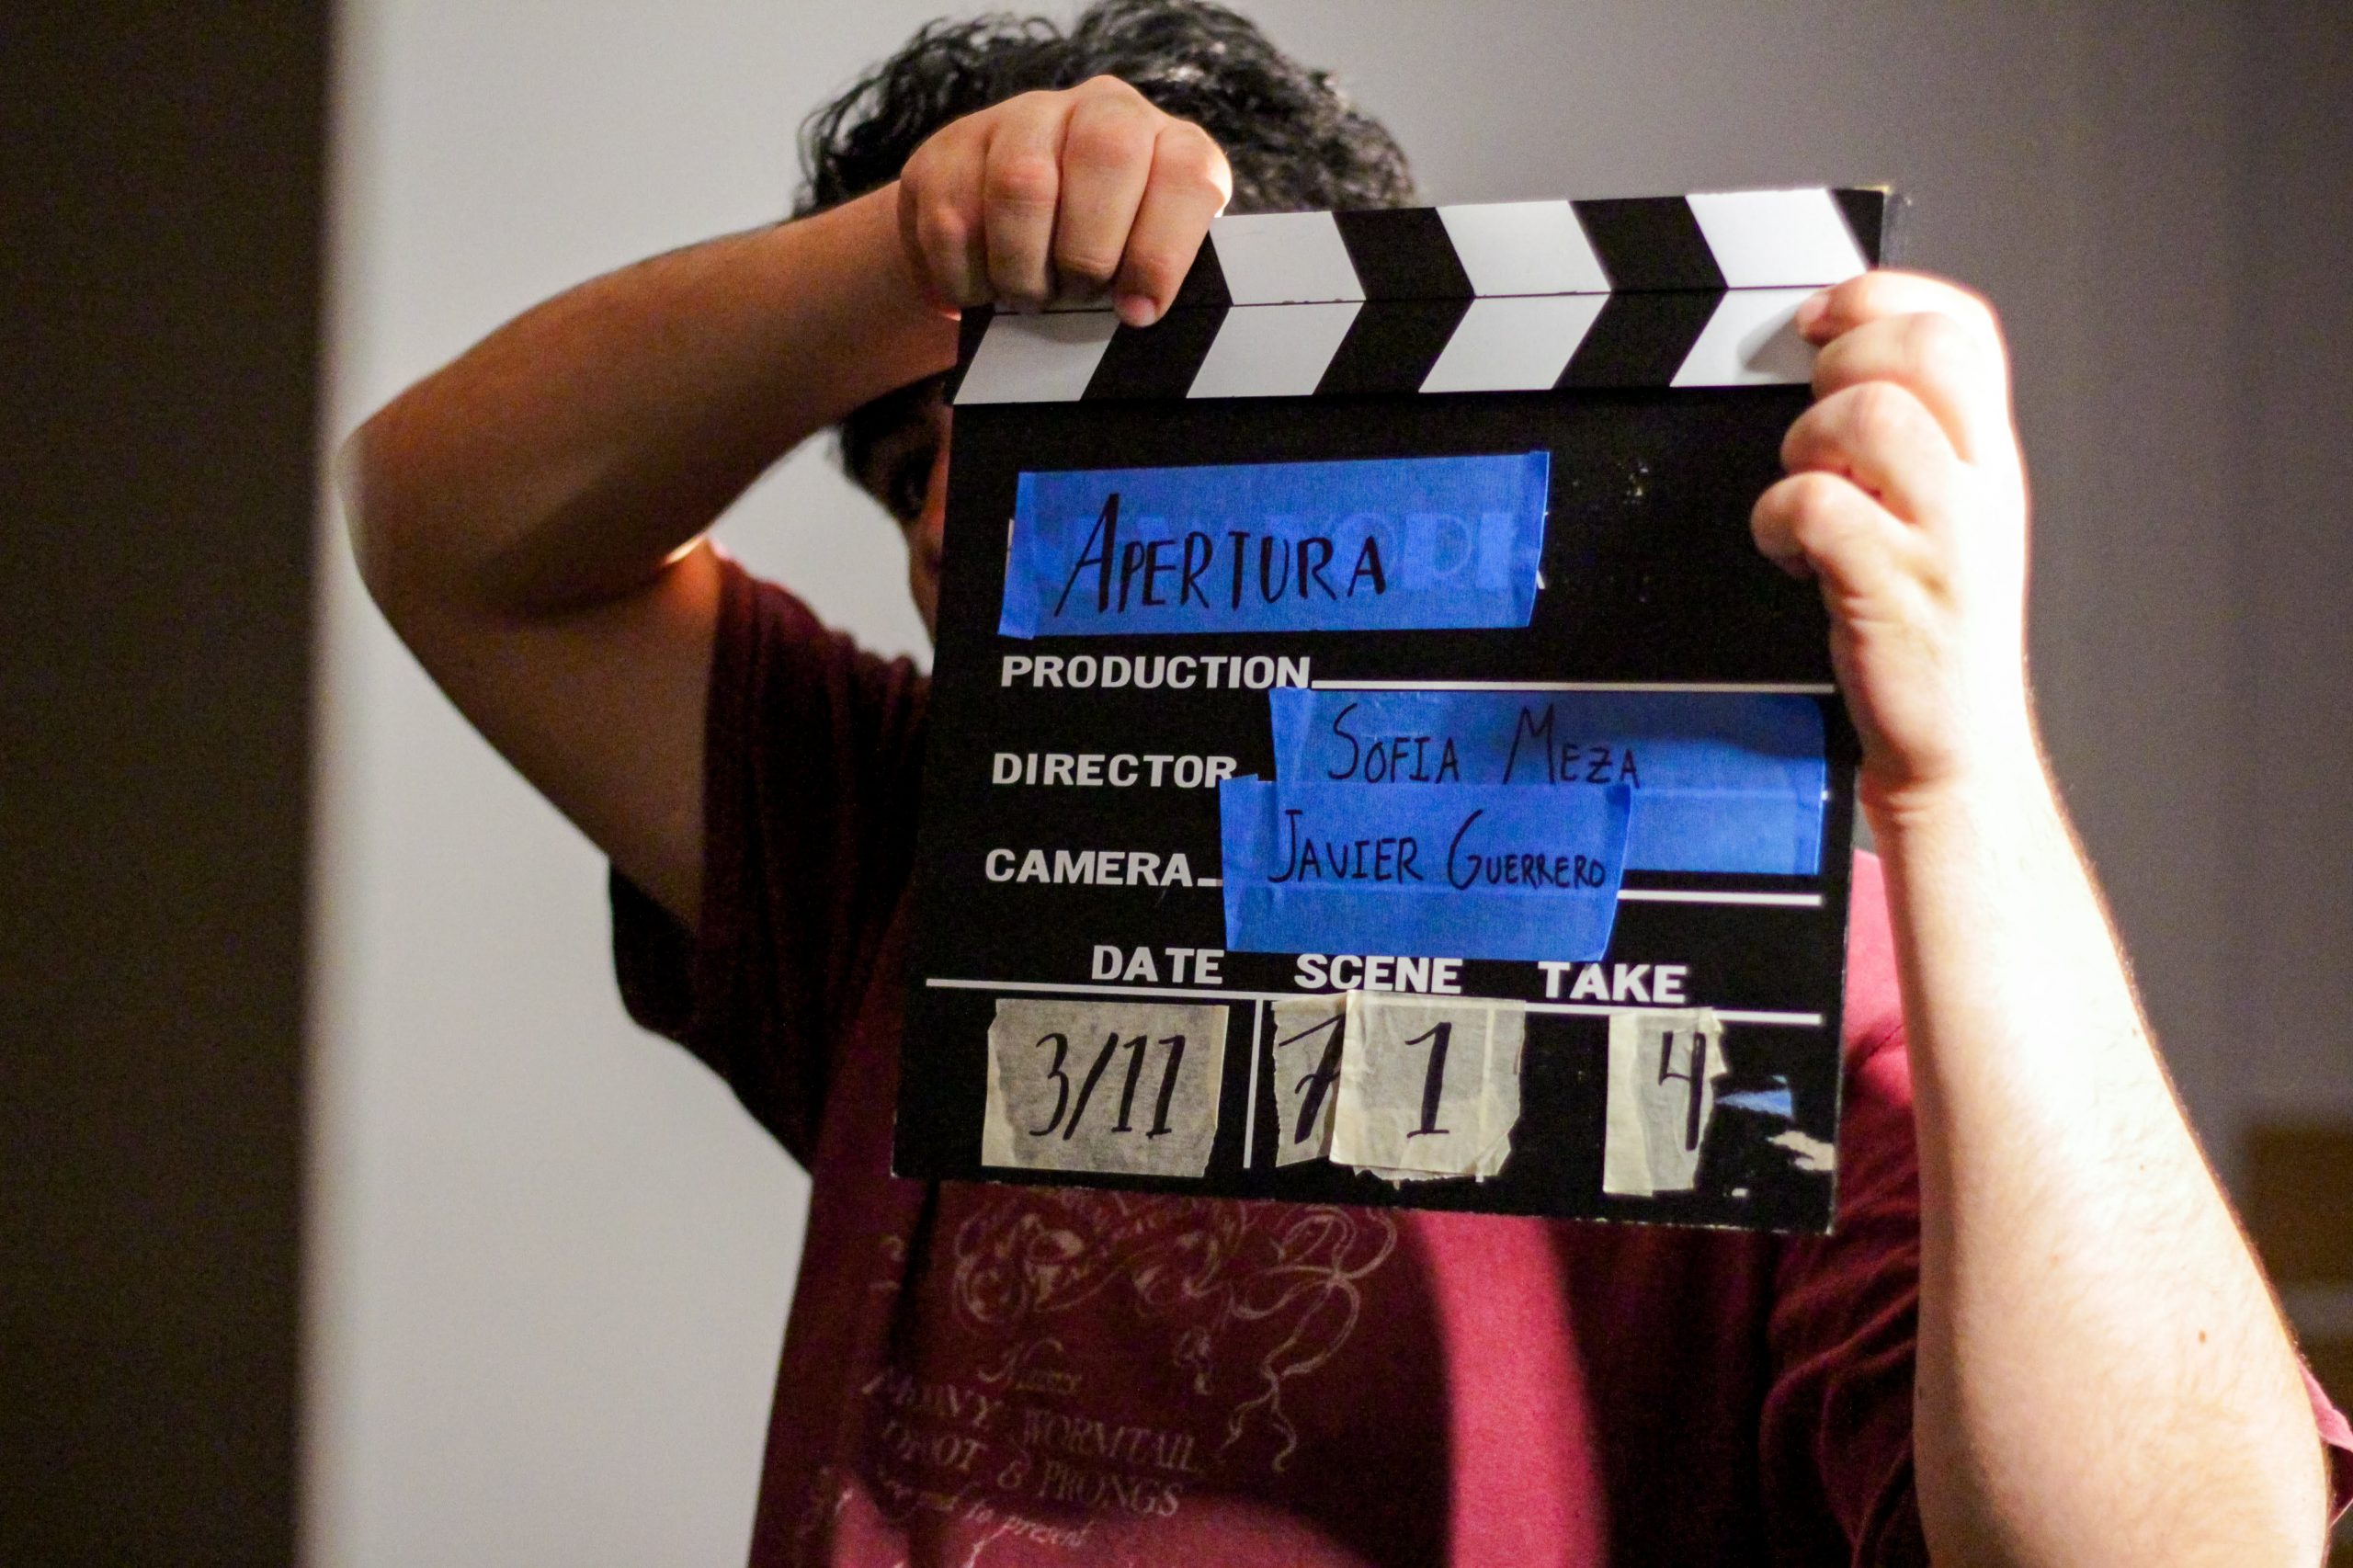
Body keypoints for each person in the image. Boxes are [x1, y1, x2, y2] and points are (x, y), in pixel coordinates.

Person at [342, 2, 2351, 1562]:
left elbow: (2181, 1538)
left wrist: (1966, 769)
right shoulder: (910, 849)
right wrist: (903, 256)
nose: (961, 511)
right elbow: (453, 525)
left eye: (1071, 427)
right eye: (909, 465)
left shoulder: (1731, 937)